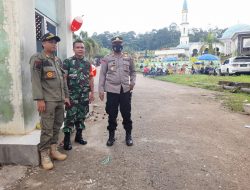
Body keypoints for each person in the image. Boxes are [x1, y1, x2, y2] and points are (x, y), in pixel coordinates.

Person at [30, 33, 70, 170]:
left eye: (55, 42)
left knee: (56, 126)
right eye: (51, 41)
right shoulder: (38, 58)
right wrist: (39, 99)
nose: (54, 44)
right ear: (43, 43)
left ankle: (53, 150)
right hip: (47, 101)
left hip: (59, 99)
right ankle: (44, 154)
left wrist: (66, 96)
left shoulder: (57, 60)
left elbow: (63, 80)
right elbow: (35, 80)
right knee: (47, 128)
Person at [99, 36, 136, 146]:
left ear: (122, 44)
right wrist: (101, 89)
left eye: (119, 43)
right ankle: (111, 136)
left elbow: (133, 71)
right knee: (112, 114)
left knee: (126, 114)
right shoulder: (107, 58)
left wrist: (132, 82)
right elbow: (102, 74)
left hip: (125, 90)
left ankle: (128, 135)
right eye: (115, 43)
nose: (117, 45)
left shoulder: (128, 58)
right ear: (112, 45)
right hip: (111, 90)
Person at [62, 39, 95, 150]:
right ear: (74, 49)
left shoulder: (87, 63)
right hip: (71, 96)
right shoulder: (68, 62)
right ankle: (67, 140)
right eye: (78, 47)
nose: (80, 49)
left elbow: (90, 78)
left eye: (82, 47)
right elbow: (64, 79)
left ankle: (78, 136)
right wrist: (65, 96)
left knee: (81, 116)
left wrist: (91, 92)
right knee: (70, 118)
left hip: (84, 95)